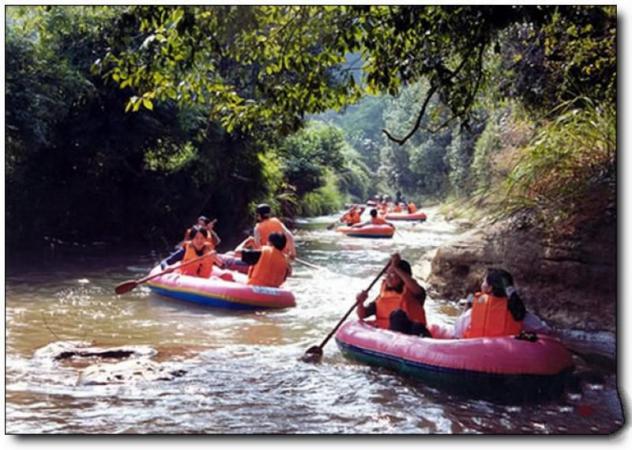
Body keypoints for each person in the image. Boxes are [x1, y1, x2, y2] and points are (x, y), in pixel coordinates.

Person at [356, 253, 431, 337]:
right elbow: (362, 315)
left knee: (400, 316)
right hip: (389, 337)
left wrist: (395, 267)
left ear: (403, 276)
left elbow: (412, 285)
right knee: (397, 315)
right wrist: (360, 303)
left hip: (411, 334)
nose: (388, 277)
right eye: (387, 274)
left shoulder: (415, 293)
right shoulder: (382, 296)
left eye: (392, 274)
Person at [456, 268, 526, 338]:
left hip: (475, 347)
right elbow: (536, 327)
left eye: (484, 281)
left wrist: (466, 308)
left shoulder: (474, 309)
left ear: (489, 288)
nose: (482, 283)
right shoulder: (516, 307)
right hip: (506, 347)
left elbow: (458, 331)